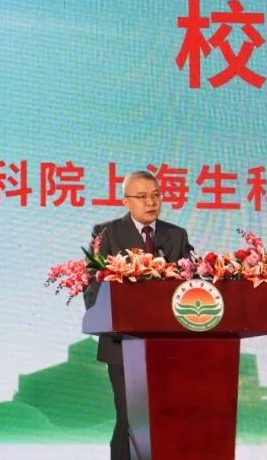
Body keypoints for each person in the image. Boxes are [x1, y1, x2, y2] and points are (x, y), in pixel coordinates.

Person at [83, 170, 193, 460]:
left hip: (167, 349)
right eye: (142, 196)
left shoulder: (176, 235)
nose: (151, 202)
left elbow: (189, 287)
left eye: (156, 195)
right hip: (123, 346)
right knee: (130, 420)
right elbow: (92, 289)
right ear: (126, 201)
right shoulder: (106, 233)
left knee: (165, 419)